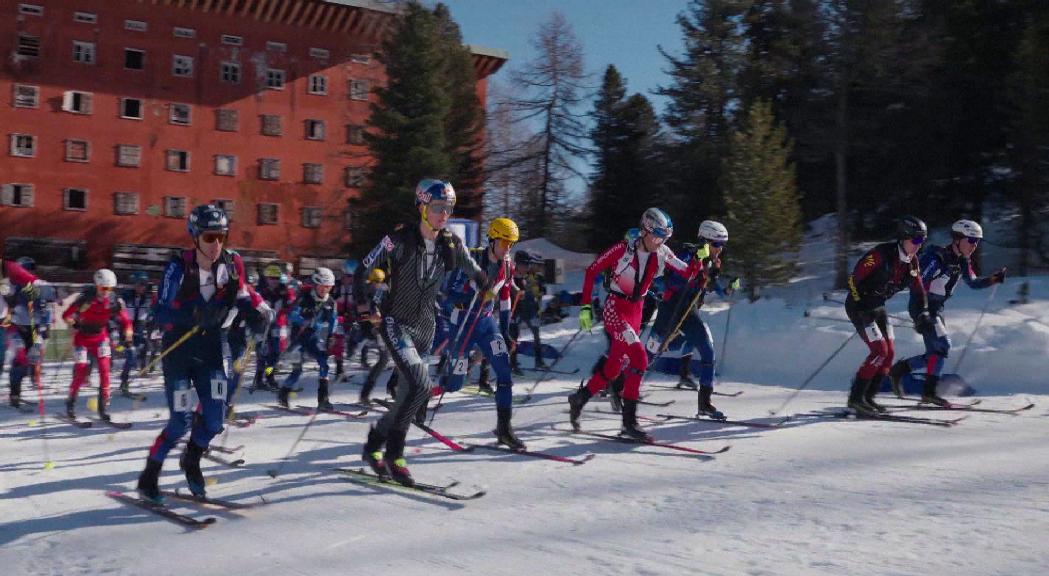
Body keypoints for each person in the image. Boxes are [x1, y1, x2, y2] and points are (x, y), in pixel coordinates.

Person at [356, 179, 486, 486]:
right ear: (422, 207)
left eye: (449, 209)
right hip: (395, 322)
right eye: (438, 208)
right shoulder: (398, 239)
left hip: (425, 327)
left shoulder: (451, 243)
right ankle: (395, 455)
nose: (444, 215)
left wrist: (485, 284)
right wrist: (364, 304)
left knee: (408, 397)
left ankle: (373, 445)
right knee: (421, 384)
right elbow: (364, 267)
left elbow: (472, 268)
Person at [135, 204, 268, 501]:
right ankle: (149, 476)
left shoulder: (233, 264)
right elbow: (160, 311)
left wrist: (259, 314)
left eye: (221, 236)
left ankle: (191, 459)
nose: (216, 244)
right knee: (180, 420)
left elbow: (245, 294)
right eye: (210, 238)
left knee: (214, 420)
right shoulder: (178, 267)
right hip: (180, 349)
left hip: (211, 349)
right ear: (195, 237)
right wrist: (191, 315)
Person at [567, 208, 701, 440]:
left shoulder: (662, 252)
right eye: (658, 236)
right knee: (639, 358)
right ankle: (629, 423)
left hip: (636, 311)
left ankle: (580, 398)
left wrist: (700, 259)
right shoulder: (622, 250)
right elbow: (592, 271)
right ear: (646, 231)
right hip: (615, 309)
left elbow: (688, 272)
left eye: (665, 238)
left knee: (614, 367)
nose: (661, 242)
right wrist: (586, 306)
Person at [889, 219, 1006, 405]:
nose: (974, 246)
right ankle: (928, 392)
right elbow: (917, 283)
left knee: (935, 352)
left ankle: (901, 370)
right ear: (958, 239)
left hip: (937, 308)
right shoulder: (937, 258)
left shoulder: (962, 261)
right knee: (943, 346)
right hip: (924, 306)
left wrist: (993, 279)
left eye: (977, 242)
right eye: (971, 240)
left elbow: (973, 283)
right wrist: (923, 312)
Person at [433, 217, 525, 450]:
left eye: (512, 244)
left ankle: (504, 429)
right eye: (505, 242)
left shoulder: (507, 265)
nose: (508, 248)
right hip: (462, 323)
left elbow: (504, 297)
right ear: (493, 240)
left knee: (504, 372)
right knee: (455, 383)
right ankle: (421, 399)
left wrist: (505, 330)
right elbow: (445, 292)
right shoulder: (469, 258)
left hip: (485, 323)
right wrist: (472, 288)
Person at [646, 221, 741, 420]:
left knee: (708, 350)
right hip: (670, 310)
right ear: (705, 241)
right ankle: (619, 384)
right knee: (651, 353)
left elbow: (717, 290)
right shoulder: (687, 255)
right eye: (716, 244)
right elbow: (674, 282)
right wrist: (697, 269)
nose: (720, 249)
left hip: (689, 314)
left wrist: (729, 289)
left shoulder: (712, 262)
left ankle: (705, 403)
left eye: (722, 245)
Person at [844, 215, 931, 415]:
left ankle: (869, 398)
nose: (919, 245)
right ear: (903, 237)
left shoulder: (912, 262)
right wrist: (860, 305)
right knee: (879, 351)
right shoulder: (880, 255)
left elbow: (918, 291)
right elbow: (852, 280)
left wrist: (923, 313)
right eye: (916, 240)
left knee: (889, 353)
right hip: (859, 306)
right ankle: (856, 399)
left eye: (922, 241)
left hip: (878, 306)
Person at [61, 269, 133, 420]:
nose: (106, 292)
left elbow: (126, 321)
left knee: (105, 371)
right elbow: (66, 315)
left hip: (100, 338)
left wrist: (128, 335)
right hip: (82, 338)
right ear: (97, 285)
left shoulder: (114, 300)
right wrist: (74, 323)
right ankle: (71, 403)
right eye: (103, 288)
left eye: (110, 288)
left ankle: (103, 407)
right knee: (81, 371)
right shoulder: (86, 298)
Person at [278, 267, 338, 410]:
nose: (325, 290)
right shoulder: (304, 297)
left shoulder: (330, 302)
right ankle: (284, 392)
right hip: (298, 338)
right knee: (297, 370)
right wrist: (304, 319)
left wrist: (331, 336)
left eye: (328, 287)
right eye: (323, 286)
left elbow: (333, 321)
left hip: (313, 339)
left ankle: (323, 399)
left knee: (324, 363)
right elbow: (291, 314)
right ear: (316, 284)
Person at [2, 256, 48, 408]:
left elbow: (44, 307)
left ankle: (20, 386)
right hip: (16, 327)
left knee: (33, 359)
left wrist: (44, 323)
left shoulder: (35, 286)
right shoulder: (11, 285)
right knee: (19, 360)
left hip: (33, 328)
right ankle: (14, 394)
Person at [253, 264, 296, 392]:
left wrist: (291, 304)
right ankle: (259, 378)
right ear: (266, 278)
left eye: (276, 278)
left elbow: (292, 302)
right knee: (262, 353)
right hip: (262, 325)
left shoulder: (284, 289)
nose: (274, 281)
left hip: (277, 324)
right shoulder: (260, 290)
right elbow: (253, 305)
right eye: (271, 278)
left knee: (275, 353)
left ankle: (269, 375)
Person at [119, 271, 157, 396]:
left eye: (144, 284)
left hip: (140, 330)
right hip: (127, 330)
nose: (142, 287)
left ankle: (141, 369)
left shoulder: (147, 298)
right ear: (134, 284)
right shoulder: (125, 296)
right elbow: (116, 312)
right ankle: (124, 382)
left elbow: (153, 311)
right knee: (131, 354)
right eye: (140, 284)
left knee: (145, 347)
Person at [357, 267, 391, 404]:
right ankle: (365, 394)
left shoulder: (382, 291)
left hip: (383, 327)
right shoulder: (367, 293)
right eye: (376, 282)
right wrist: (373, 319)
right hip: (373, 329)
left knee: (389, 359)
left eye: (380, 282)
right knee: (384, 359)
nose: (378, 284)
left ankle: (393, 388)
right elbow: (363, 314)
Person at [510, 249, 546, 375]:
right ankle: (512, 364)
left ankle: (539, 360)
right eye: (525, 264)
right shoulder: (514, 276)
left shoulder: (533, 277)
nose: (528, 266)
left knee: (536, 335)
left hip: (529, 311)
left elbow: (538, 294)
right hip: (516, 311)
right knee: (513, 338)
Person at [332, 259, 363, 380]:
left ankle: (352, 357)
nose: (349, 279)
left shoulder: (355, 288)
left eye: (352, 276)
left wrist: (357, 316)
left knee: (355, 338)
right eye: (347, 276)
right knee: (339, 343)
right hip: (337, 318)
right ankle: (339, 370)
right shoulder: (336, 286)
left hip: (350, 317)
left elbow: (358, 304)